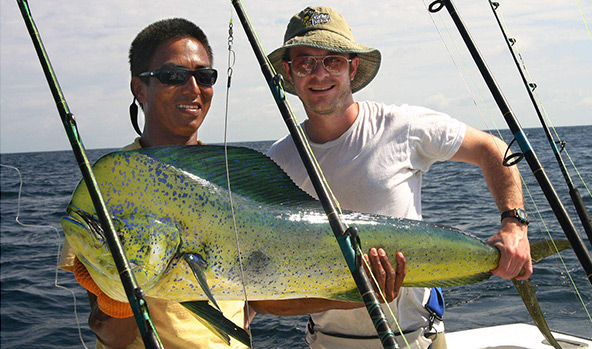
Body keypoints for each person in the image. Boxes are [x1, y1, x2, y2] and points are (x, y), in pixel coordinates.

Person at [250, 6, 531, 349]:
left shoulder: (402, 126)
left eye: (332, 61)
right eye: (305, 62)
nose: (319, 74)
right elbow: (264, 290)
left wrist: (514, 225)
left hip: (417, 338)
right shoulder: (276, 163)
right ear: (288, 72)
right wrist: (358, 295)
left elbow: (490, 148)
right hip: (327, 342)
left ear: (352, 67)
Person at [59, 18, 247, 348]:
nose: (192, 88)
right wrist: (114, 299)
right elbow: (114, 337)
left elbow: (254, 299)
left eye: (204, 76)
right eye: (173, 76)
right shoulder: (108, 185)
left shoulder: (232, 180)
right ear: (138, 88)